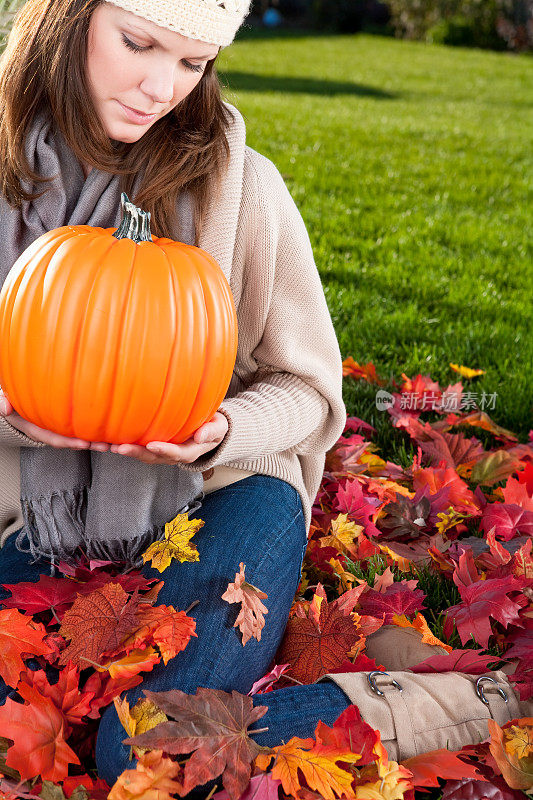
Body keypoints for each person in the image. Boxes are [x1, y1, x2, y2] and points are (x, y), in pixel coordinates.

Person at [0, 0, 358, 790]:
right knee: (17, 728)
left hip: (220, 492)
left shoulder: (240, 187)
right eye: (139, 43)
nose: (161, 86)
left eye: (192, 63)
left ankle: (422, 706)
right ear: (68, 19)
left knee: (144, 750)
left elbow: (309, 391)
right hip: (26, 510)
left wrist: (222, 427)